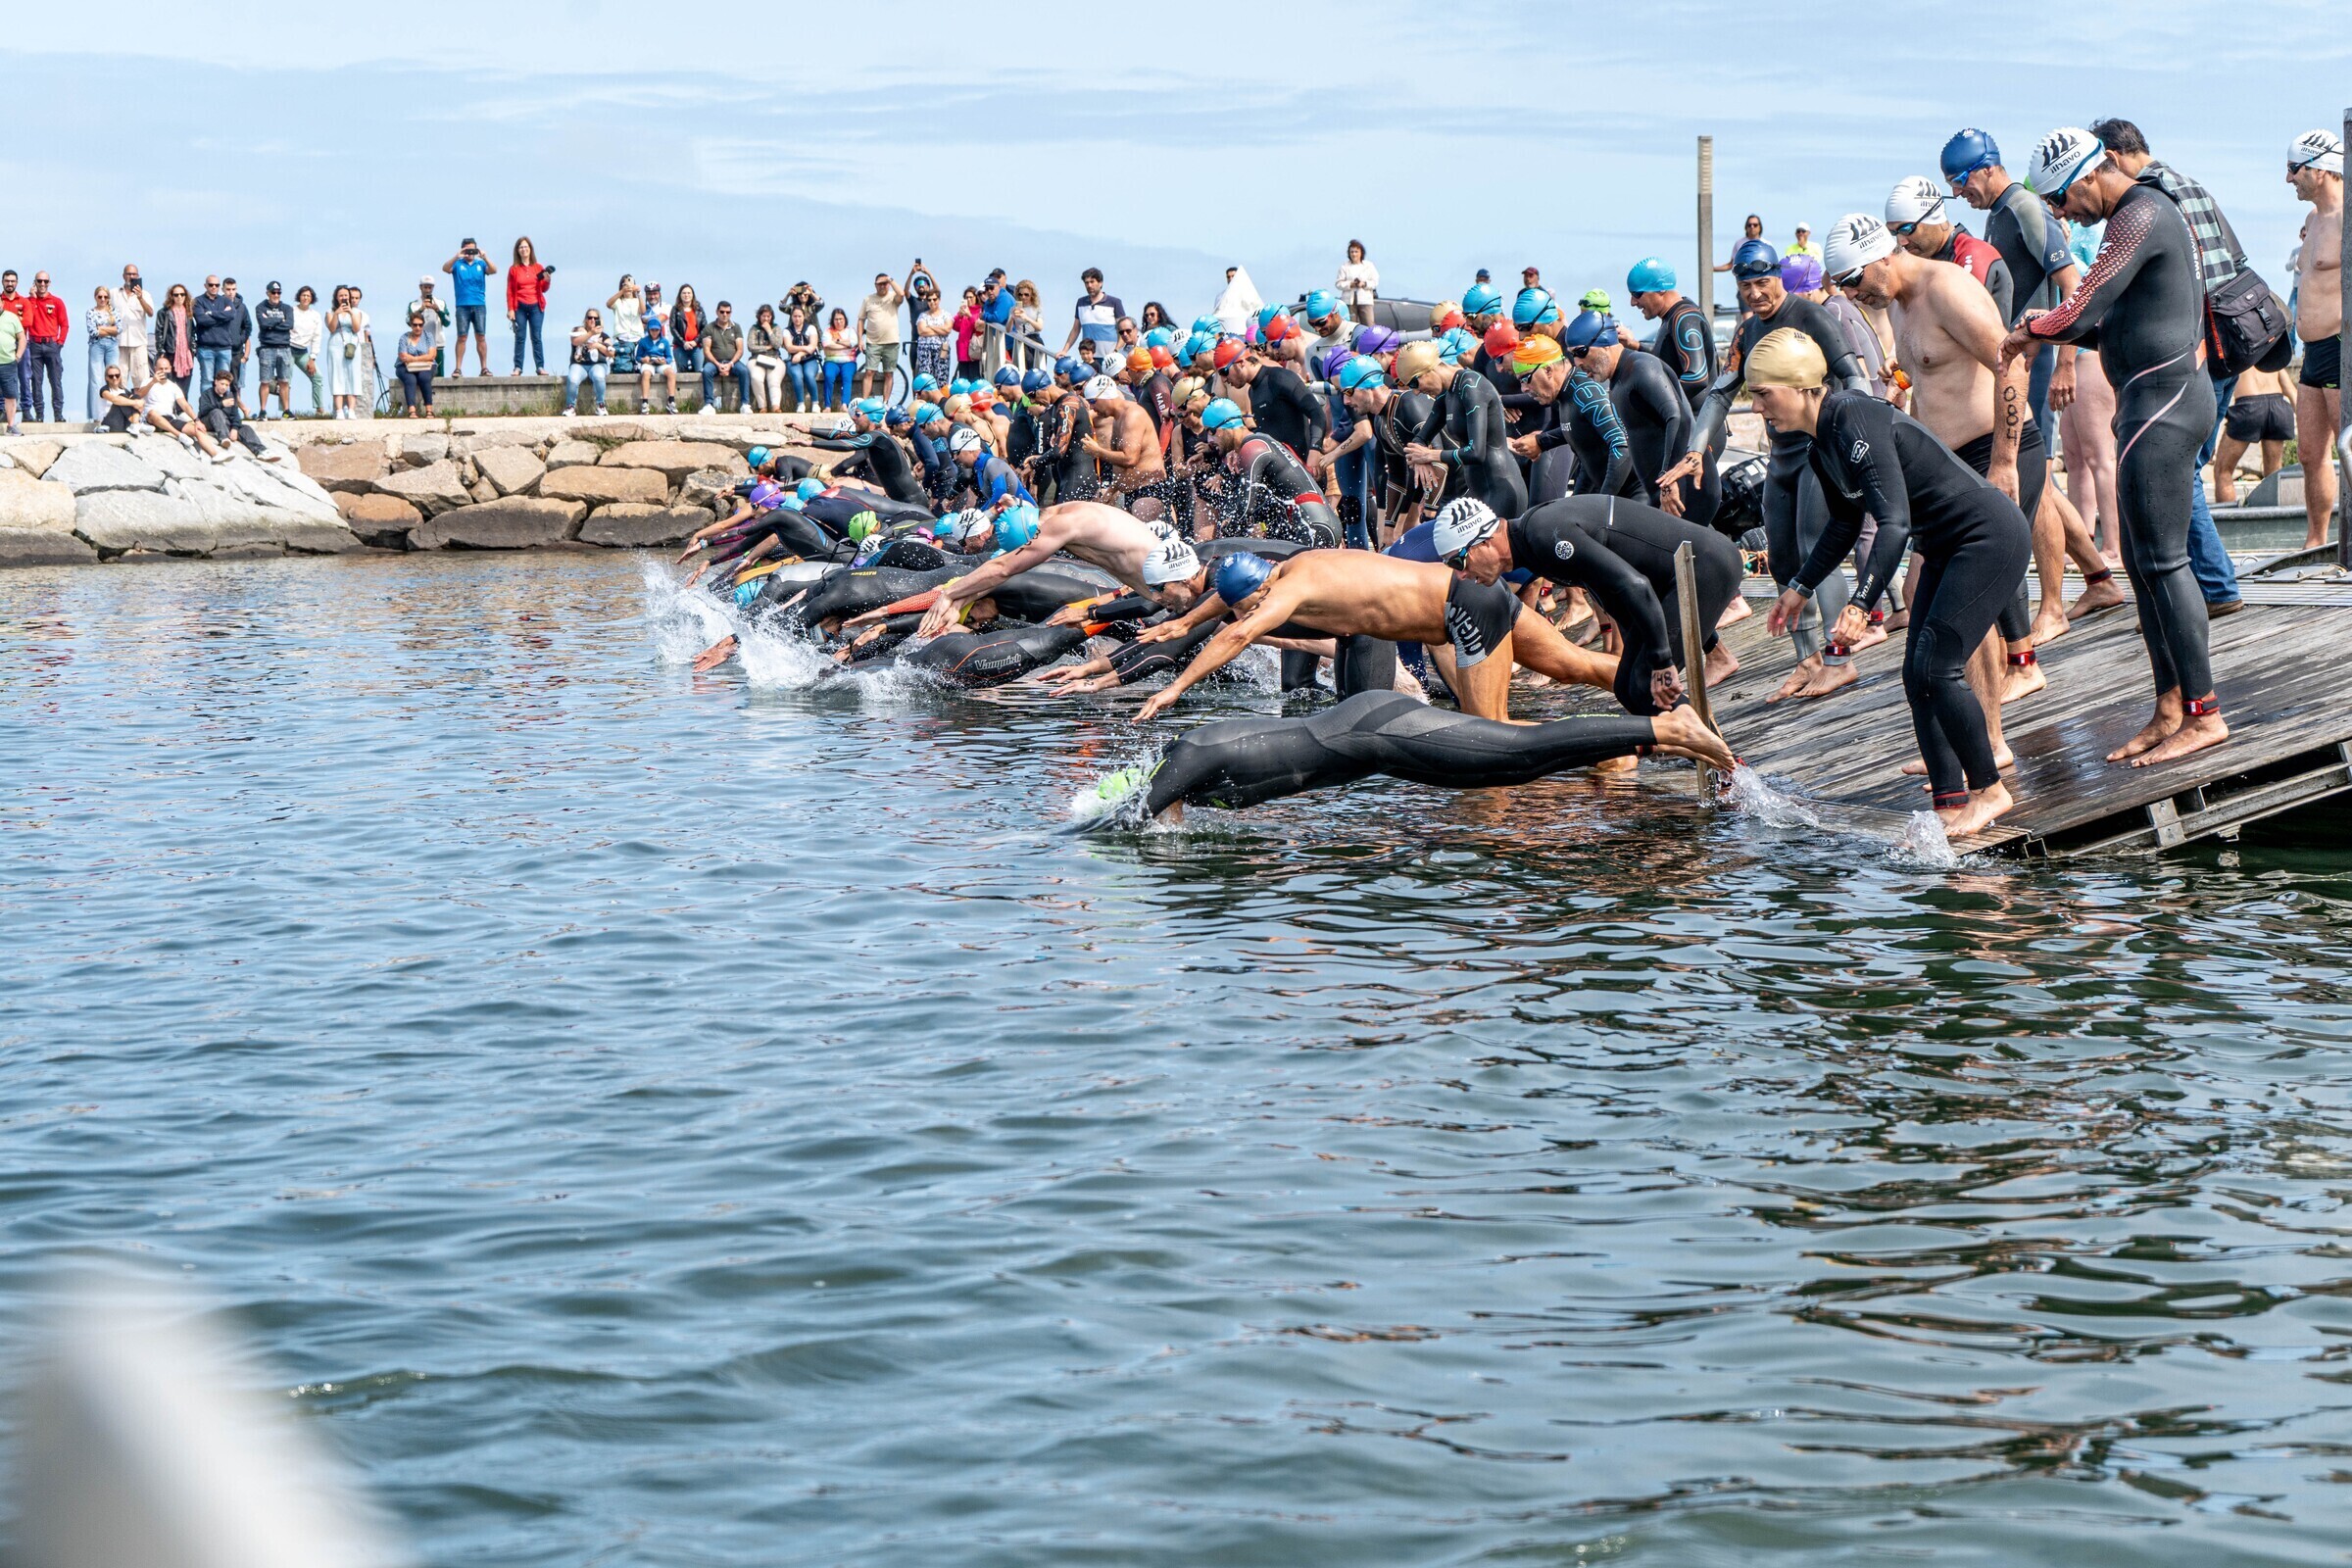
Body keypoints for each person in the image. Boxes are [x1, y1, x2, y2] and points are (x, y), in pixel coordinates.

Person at [1744, 328, 2030, 837]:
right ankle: (1948, 799)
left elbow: (1893, 522)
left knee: (1939, 669)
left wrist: (1860, 605)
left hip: (1988, 536)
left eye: (1763, 393)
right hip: (1945, 545)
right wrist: (1800, 586)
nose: (1756, 406)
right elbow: (1843, 525)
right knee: (1916, 673)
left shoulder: (1854, 418)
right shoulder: (1820, 446)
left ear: (1803, 385)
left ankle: (1991, 791)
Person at [2002, 125, 2226, 768]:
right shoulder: (2129, 220)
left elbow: (2080, 308)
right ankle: (2170, 708)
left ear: (2086, 179)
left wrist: (2027, 334)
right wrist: (2052, 331)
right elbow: (2108, 324)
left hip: (2169, 406)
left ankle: (2204, 713)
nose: (2063, 216)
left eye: (2062, 202)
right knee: (2148, 568)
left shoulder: (2143, 212)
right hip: (2148, 407)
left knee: (2163, 565)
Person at [1826, 212, 2039, 753]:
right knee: (1925, 593)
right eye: (1844, 288)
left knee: (1966, 603)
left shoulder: (1946, 287)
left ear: (1881, 257)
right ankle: (1970, 738)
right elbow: (1927, 373)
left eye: (1854, 281)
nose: (1852, 295)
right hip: (1953, 462)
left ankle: (1990, 740)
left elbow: (2010, 363)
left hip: (1994, 450)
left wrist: (2006, 462)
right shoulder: (1897, 303)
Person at [1656, 237, 1871, 699]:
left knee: (1817, 547)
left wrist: (1851, 430)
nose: (1755, 293)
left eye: (1762, 282)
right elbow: (1719, 393)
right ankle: (1806, 660)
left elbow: (1854, 376)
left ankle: (1839, 659)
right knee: (1783, 558)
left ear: (1778, 277)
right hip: (1781, 456)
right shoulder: (1748, 331)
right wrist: (1696, 448)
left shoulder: (1811, 317)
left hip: (1820, 449)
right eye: (1745, 285)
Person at [1130, 543, 1615, 724]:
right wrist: (1185, 621)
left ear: (1257, 596)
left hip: (1462, 610)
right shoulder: (1289, 568)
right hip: (1473, 594)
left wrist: (1175, 688)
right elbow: (1230, 596)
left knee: (1489, 732)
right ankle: (1663, 699)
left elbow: (1234, 636)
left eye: (1244, 609)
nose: (1241, 614)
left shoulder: (1283, 597)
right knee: (1577, 665)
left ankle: (1621, 744)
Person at [2087, 118, 2247, 613]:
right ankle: (2207, 588)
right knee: (2189, 469)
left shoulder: (2148, 199)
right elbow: (2236, 260)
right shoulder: (2190, 184)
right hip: (2231, 339)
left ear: (2111, 160)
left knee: (2177, 472)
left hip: (2193, 349)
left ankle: (2214, 589)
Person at [1446, 491, 1743, 711]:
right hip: (1671, 578)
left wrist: (1663, 662)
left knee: (1645, 687)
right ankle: (1706, 756)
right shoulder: (1530, 542)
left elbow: (1633, 585)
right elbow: (1611, 592)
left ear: (1484, 541)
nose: (1460, 576)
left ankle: (1728, 769)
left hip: (1704, 566)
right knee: (1628, 690)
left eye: (1458, 562)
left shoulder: (1543, 536)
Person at [1396, 338, 1526, 521]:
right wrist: (1419, 459)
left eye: (1414, 384)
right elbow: (1420, 438)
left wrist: (1430, 456)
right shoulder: (1447, 394)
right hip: (1477, 493)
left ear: (1429, 370)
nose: (1415, 392)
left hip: (1501, 491)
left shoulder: (1471, 385)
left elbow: (1476, 452)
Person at [2288, 128, 2342, 551]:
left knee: (2349, 449)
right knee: (2309, 454)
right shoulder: (2311, 221)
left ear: (2320, 170)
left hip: (2342, 348)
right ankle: (2316, 541)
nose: (2289, 179)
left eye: (2294, 170)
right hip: (2312, 351)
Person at [1625, 258, 1715, 411]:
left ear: (1660, 288)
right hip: (1692, 423)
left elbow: (1697, 377)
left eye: (1637, 294)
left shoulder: (1685, 318)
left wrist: (1652, 401)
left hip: (1700, 424)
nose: (1633, 302)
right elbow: (1668, 357)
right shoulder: (1673, 317)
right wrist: (1634, 345)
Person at [2212, 364, 2294, 504]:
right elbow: (2292, 391)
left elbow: (2217, 393)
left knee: (2223, 471)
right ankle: (2273, 519)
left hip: (2249, 406)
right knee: (2273, 474)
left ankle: (2230, 521)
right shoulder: (2269, 351)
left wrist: (2209, 437)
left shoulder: (2237, 347)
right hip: (2278, 406)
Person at [137, 360, 226, 456]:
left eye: (166, 369)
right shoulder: (147, 382)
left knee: (197, 430)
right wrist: (153, 382)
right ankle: (179, 435)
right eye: (160, 369)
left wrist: (197, 420)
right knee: (152, 413)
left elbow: (184, 405)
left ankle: (215, 454)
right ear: (155, 369)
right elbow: (138, 395)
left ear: (170, 369)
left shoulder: (173, 386)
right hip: (151, 418)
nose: (163, 371)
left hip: (169, 419)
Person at [439, 238, 497, 376]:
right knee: (462, 337)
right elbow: (445, 268)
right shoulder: (458, 264)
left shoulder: (480, 263)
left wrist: (485, 257)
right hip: (462, 305)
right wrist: (457, 256)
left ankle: (484, 368)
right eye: (467, 250)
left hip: (479, 304)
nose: (470, 253)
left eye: (473, 250)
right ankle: (458, 368)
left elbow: (494, 270)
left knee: (481, 336)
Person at [17, 272, 69, 423]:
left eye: (45, 281)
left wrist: (60, 342)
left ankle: (58, 414)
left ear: (49, 282)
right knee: (36, 381)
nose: (42, 284)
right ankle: (39, 414)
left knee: (55, 380)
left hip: (52, 344)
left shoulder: (57, 302)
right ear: (35, 282)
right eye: (40, 281)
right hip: (34, 345)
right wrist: (33, 299)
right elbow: (29, 318)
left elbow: (64, 324)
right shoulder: (28, 302)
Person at [197, 367, 276, 460]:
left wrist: (234, 428)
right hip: (209, 422)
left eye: (227, 385)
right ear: (216, 382)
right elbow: (203, 411)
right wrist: (221, 404)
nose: (224, 387)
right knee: (216, 412)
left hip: (225, 424)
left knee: (246, 428)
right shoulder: (206, 394)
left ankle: (261, 451)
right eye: (222, 384)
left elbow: (236, 416)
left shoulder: (230, 396)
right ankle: (223, 438)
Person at [506, 237, 552, 374]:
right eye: (521, 247)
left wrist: (548, 281)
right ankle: (518, 367)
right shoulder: (514, 269)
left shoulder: (538, 267)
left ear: (530, 249)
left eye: (526, 247)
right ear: (517, 251)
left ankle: (540, 366)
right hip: (519, 305)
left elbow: (543, 288)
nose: (524, 249)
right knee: (520, 336)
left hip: (536, 306)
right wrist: (510, 309)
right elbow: (509, 290)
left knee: (536, 336)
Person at [856, 270, 905, 400]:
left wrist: (891, 280)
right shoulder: (868, 299)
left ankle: (885, 402)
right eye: (880, 284)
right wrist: (860, 339)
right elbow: (861, 319)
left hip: (891, 341)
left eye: (885, 283)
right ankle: (865, 401)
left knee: (889, 373)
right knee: (869, 372)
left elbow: (902, 294)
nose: (882, 286)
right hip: (873, 342)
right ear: (875, 285)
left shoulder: (893, 296)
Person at [190, 274, 240, 393]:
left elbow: (232, 315)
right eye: (211, 285)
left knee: (224, 381)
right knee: (207, 380)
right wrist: (222, 316)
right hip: (205, 348)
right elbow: (202, 320)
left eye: (216, 285)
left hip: (224, 348)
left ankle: (224, 409)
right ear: (205, 286)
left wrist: (210, 313)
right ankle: (206, 409)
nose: (213, 287)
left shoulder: (226, 300)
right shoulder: (198, 301)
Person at [323, 286, 368, 418]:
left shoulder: (356, 312)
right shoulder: (330, 312)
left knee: (353, 375)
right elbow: (331, 328)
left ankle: (351, 409)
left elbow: (356, 328)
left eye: (346, 295)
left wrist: (350, 313)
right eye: (341, 295)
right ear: (336, 297)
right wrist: (337, 313)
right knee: (337, 375)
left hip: (352, 345)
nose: (344, 298)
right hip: (336, 345)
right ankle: (339, 410)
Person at [250, 281, 293, 418]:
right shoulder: (260, 307)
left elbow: (289, 324)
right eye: (273, 292)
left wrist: (271, 323)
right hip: (267, 347)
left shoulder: (287, 308)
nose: (276, 295)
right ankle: (263, 411)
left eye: (278, 292)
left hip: (284, 348)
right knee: (265, 381)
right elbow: (263, 324)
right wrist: (280, 321)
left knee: (284, 381)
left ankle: (286, 411)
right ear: (267, 292)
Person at [701, 301, 750, 415]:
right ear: (717, 312)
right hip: (714, 361)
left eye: (728, 312)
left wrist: (730, 364)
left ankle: (745, 404)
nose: (725, 314)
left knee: (744, 371)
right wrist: (718, 365)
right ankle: (708, 404)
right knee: (706, 371)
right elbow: (706, 350)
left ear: (731, 313)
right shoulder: (709, 328)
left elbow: (740, 350)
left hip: (732, 361)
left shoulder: (736, 327)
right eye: (722, 312)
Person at [564, 308, 612, 416]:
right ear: (585, 320)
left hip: (598, 364)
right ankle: (570, 406)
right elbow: (575, 342)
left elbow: (611, 352)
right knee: (572, 379)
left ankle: (600, 405)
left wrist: (598, 345)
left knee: (599, 377)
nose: (593, 320)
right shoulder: (578, 331)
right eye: (590, 317)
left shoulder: (604, 336)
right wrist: (591, 333)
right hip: (579, 364)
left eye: (595, 318)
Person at [115, 265, 154, 387]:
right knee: (119, 381)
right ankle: (120, 406)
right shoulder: (113, 293)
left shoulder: (145, 294)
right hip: (119, 343)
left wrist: (140, 297)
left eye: (134, 274)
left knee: (142, 381)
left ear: (138, 276)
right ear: (123, 276)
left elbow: (150, 312)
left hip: (138, 343)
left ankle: (141, 406)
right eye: (128, 274)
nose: (131, 277)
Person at [84, 284, 119, 421]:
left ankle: (115, 412)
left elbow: (119, 329)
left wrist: (102, 328)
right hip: (96, 345)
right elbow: (93, 331)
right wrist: (110, 329)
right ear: (95, 297)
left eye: (105, 297)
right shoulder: (90, 312)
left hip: (112, 346)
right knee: (95, 380)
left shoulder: (114, 311)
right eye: (100, 297)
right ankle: (96, 415)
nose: (103, 299)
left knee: (114, 377)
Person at [633, 311, 678, 415]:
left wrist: (664, 361)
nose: (654, 332)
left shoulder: (665, 342)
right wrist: (644, 359)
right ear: (649, 330)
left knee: (671, 372)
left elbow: (669, 357)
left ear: (660, 330)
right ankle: (645, 402)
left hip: (660, 363)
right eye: (652, 330)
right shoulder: (643, 341)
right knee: (646, 374)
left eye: (656, 330)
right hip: (648, 363)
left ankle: (671, 401)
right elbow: (638, 357)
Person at [746, 304, 789, 414]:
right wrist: (766, 347)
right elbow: (751, 346)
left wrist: (769, 331)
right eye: (764, 316)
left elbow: (777, 344)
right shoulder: (753, 329)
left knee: (774, 380)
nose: (766, 318)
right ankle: (762, 406)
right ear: (759, 316)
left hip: (774, 358)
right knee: (756, 378)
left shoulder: (776, 328)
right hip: (756, 359)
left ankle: (775, 406)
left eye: (768, 316)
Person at [289, 286, 324, 416]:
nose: (305, 298)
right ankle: (285, 411)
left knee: (317, 377)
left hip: (303, 352)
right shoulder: (291, 311)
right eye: (303, 295)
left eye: (308, 296)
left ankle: (319, 408)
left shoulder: (315, 315)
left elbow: (317, 337)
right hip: (289, 349)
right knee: (286, 380)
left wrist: (312, 357)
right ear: (299, 296)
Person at [406, 275, 450, 379]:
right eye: (425, 287)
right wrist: (421, 309)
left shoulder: (441, 303)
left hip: (437, 345)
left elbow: (447, 322)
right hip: (419, 346)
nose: (428, 290)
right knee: (421, 376)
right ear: (420, 287)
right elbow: (408, 321)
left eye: (430, 287)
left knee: (439, 376)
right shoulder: (413, 305)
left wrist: (438, 310)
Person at [395, 312, 438, 416]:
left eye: (420, 325)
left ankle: (429, 409)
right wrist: (423, 358)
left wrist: (414, 358)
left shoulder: (428, 336)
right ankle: (412, 410)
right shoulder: (404, 338)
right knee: (410, 379)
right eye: (415, 325)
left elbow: (432, 355)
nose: (418, 327)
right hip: (405, 366)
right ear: (411, 325)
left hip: (427, 366)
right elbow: (403, 356)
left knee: (424, 377)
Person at [784, 305, 821, 411]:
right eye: (795, 316)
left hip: (810, 359)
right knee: (797, 375)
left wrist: (800, 354)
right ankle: (800, 403)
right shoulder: (787, 331)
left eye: (799, 316)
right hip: (793, 360)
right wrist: (805, 348)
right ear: (791, 317)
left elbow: (812, 347)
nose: (797, 318)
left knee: (809, 375)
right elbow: (789, 347)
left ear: (804, 317)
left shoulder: (811, 328)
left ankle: (815, 403)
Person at [607, 274, 645, 375]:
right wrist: (622, 291)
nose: (628, 287)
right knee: (622, 367)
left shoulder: (637, 301)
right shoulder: (618, 302)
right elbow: (608, 304)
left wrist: (639, 293)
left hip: (636, 338)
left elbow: (643, 311)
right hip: (622, 339)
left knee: (638, 368)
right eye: (625, 284)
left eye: (630, 284)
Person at [821, 308, 858, 411]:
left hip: (849, 362)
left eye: (841, 319)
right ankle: (827, 406)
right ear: (832, 320)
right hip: (831, 361)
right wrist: (845, 346)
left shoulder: (851, 330)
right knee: (829, 376)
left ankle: (845, 404)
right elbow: (827, 345)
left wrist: (836, 341)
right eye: (836, 319)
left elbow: (853, 343)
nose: (839, 321)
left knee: (847, 377)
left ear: (845, 319)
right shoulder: (828, 332)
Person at [1338, 240, 1380, 325]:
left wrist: (1364, 284)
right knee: (1350, 326)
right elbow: (1338, 283)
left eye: (1356, 251)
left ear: (1361, 252)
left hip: (1365, 300)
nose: (1354, 254)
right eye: (1352, 252)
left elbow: (1375, 281)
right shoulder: (1344, 267)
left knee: (1369, 324)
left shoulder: (1369, 266)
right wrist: (1350, 284)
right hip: (1349, 301)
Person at [93, 361, 142, 433]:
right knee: (122, 397)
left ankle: (135, 424)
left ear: (120, 376)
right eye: (111, 376)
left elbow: (140, 403)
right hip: (110, 422)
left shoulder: (125, 390)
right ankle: (136, 424)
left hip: (124, 422)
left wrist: (137, 401)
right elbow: (115, 399)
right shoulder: (104, 390)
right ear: (106, 378)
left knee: (136, 396)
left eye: (117, 375)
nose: (114, 378)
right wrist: (135, 403)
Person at [0, 302, 21, 433]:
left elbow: (22, 338)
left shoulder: (12, 317)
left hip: (8, 362)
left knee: (11, 395)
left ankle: (11, 426)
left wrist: (17, 356)